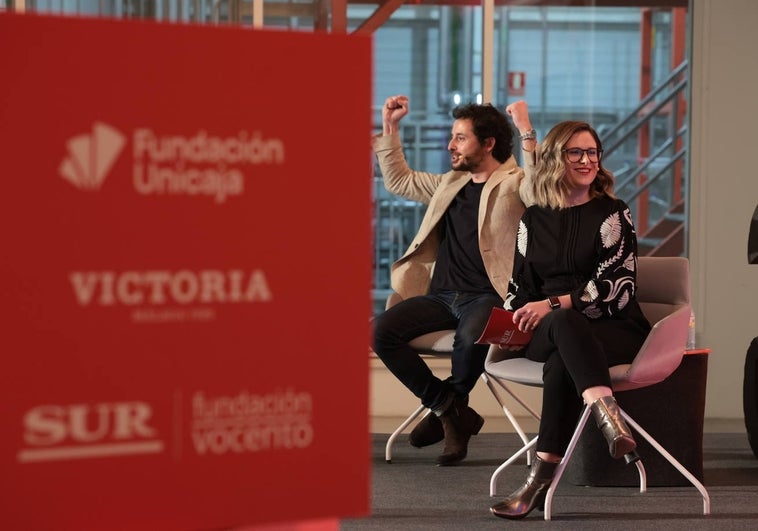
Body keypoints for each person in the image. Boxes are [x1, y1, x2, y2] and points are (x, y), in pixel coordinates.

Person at [488, 113, 652, 519]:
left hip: (613, 326)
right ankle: (607, 413)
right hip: (551, 328)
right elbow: (519, 289)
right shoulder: (533, 219)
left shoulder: (614, 213)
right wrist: (514, 320)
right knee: (563, 324)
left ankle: (537, 482)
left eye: (592, 152)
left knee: (564, 356)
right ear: (554, 159)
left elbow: (618, 288)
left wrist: (554, 303)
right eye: (575, 152)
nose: (586, 161)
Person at [371, 94, 528, 466]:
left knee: (469, 338)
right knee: (379, 332)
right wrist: (391, 127)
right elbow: (399, 181)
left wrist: (526, 130)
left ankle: (449, 415)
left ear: (488, 143)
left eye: (460, 138)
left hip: (487, 296)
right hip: (441, 296)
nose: (450, 145)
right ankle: (450, 410)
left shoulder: (516, 183)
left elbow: (542, 188)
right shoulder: (450, 183)